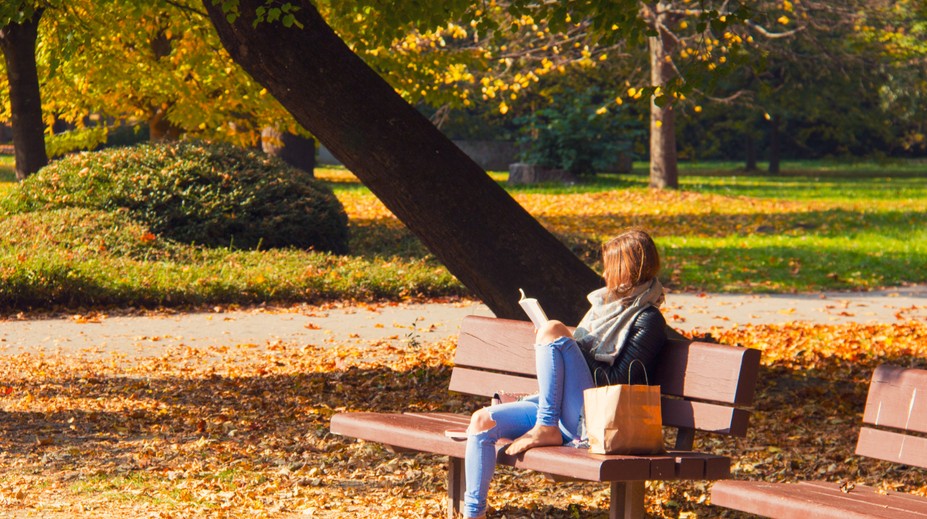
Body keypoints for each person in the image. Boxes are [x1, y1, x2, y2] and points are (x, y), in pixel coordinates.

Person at [460, 229, 668, 519]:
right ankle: (474, 514)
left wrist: (568, 347)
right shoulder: (605, 309)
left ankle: (546, 426)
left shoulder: (647, 319)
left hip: (596, 418)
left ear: (629, 269)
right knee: (481, 421)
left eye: (612, 267)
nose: (606, 274)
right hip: (563, 409)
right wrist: (564, 347)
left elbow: (620, 381)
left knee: (553, 329)